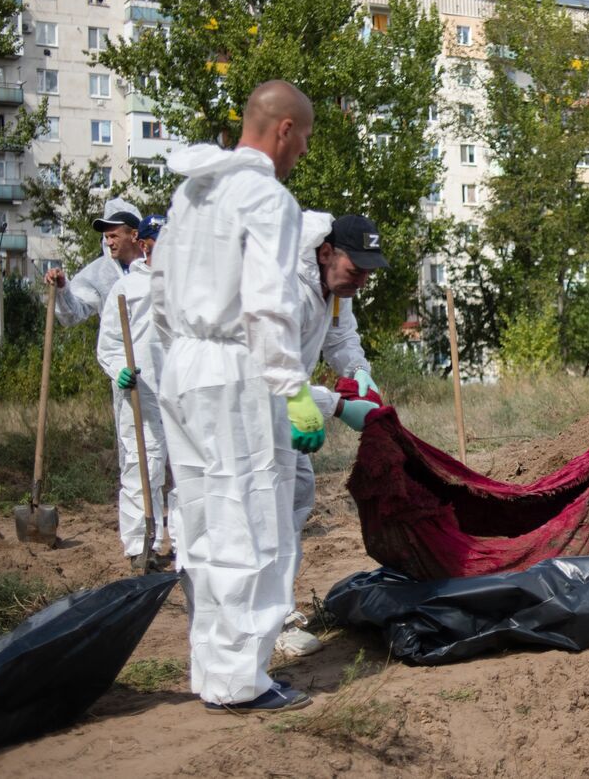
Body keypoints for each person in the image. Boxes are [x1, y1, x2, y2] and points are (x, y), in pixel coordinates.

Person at [151, 80, 324, 714]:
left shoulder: (193, 191)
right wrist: (291, 387)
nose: (301, 151)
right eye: (302, 139)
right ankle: (241, 681)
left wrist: (182, 353)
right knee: (251, 521)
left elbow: (160, 289)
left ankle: (212, 668)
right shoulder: (267, 198)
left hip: (184, 367)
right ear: (283, 130)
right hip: (234, 370)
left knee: (201, 517)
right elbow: (266, 307)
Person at [278, 211, 386, 656]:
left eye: (367, 272)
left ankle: (278, 613)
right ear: (325, 253)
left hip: (291, 401)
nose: (360, 280)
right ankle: (268, 624)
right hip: (258, 401)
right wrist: (337, 404)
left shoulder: (337, 289)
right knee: (265, 512)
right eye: (354, 269)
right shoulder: (285, 284)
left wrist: (360, 374)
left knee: (295, 499)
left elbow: (341, 340)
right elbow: (270, 362)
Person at [96, 214, 173, 572]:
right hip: (139, 390)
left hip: (178, 389)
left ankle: (175, 540)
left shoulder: (184, 284)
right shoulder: (125, 289)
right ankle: (141, 546)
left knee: (182, 467)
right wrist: (118, 370)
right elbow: (108, 345)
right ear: (143, 246)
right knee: (143, 464)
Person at [44, 197, 144, 325]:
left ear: (134, 235)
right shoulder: (100, 274)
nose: (109, 243)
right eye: (106, 237)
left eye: (114, 236)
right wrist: (62, 289)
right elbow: (73, 315)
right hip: (117, 344)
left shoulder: (156, 266)